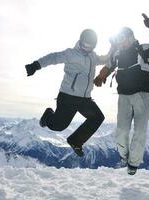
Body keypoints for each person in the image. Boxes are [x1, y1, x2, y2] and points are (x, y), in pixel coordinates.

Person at [94, 15, 149, 175]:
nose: (122, 41)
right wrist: (102, 75)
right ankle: (124, 156)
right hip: (123, 97)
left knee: (140, 131)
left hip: (142, 96)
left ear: (131, 37)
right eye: (120, 38)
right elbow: (109, 66)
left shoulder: (142, 49)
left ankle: (133, 164)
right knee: (121, 131)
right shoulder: (117, 54)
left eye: (125, 38)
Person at [25, 29, 112, 157]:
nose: (86, 48)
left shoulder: (93, 57)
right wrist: (36, 65)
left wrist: (113, 47)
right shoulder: (71, 53)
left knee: (97, 117)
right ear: (80, 41)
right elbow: (53, 57)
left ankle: (75, 140)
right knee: (58, 126)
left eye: (90, 46)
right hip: (68, 97)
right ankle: (48, 115)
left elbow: (106, 59)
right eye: (84, 45)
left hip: (85, 99)